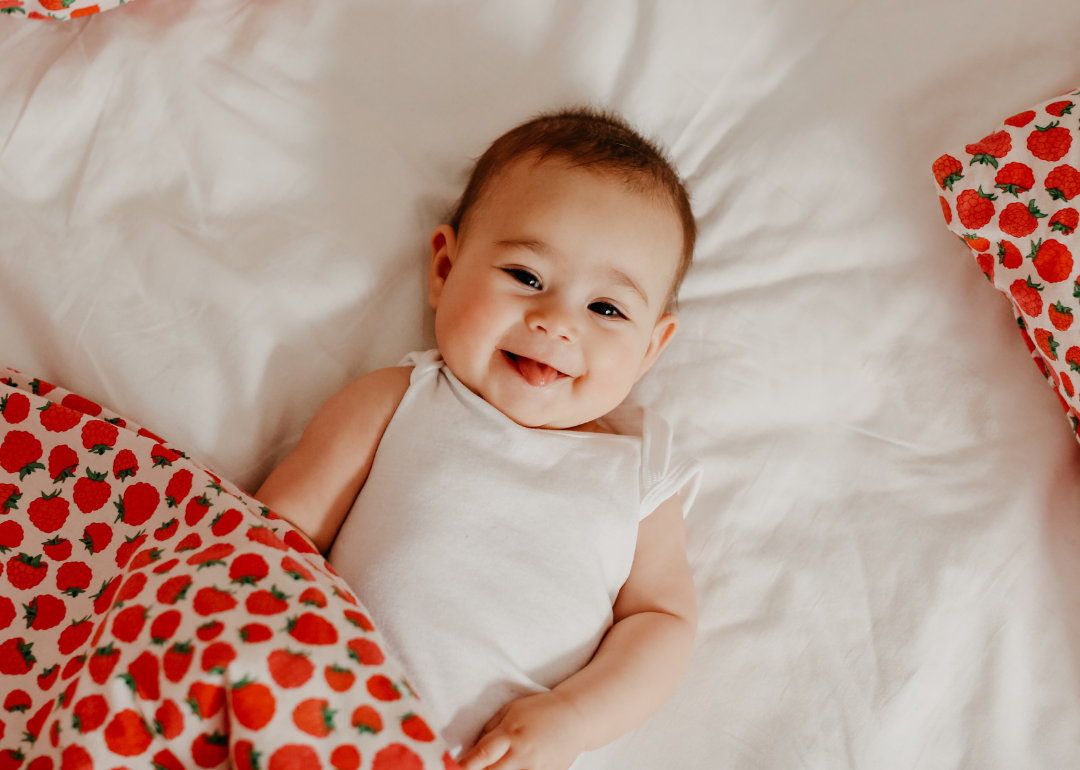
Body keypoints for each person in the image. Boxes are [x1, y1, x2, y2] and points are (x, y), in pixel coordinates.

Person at [255, 107, 702, 770]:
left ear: (651, 348)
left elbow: (661, 624)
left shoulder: (636, 472)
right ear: (445, 268)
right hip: (313, 719)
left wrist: (572, 718)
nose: (555, 322)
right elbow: (270, 539)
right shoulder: (396, 401)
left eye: (606, 308)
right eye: (526, 276)